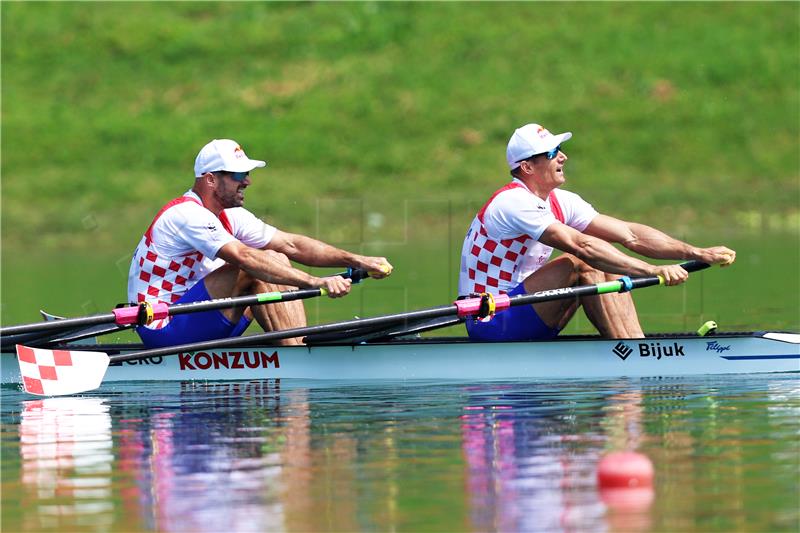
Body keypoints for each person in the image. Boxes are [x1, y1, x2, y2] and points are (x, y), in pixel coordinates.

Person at [458, 123, 735, 341]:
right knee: (582, 261)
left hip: (526, 308)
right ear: (527, 167)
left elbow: (630, 234)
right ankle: (630, 353)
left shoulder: (561, 200)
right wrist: (651, 270)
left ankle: (635, 343)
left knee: (607, 254)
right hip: (491, 319)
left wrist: (696, 251)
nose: (563, 157)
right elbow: (582, 247)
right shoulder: (512, 202)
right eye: (553, 153)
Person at [127, 139, 393, 348]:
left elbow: (291, 244)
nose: (248, 181)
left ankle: (297, 348)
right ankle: (299, 355)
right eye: (238, 174)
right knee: (254, 265)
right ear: (210, 179)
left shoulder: (231, 216)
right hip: (164, 327)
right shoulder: (185, 215)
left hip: (201, 318)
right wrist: (315, 282)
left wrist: (358, 260)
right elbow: (244, 258)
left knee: (277, 256)